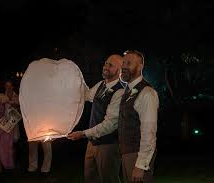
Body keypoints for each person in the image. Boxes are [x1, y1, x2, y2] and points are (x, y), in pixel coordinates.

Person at [68, 50, 159, 183]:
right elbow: (85, 95)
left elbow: (148, 132)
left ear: (140, 66)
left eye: (129, 63)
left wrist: (141, 165)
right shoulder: (128, 90)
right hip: (126, 151)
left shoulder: (146, 93)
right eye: (124, 63)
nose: (124, 67)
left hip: (131, 151)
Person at [68, 54, 124, 183]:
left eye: (111, 65)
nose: (106, 67)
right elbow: (86, 95)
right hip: (92, 142)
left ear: (120, 70)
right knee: (90, 178)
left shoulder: (119, 92)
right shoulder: (101, 85)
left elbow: (110, 124)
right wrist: (75, 79)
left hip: (109, 145)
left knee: (108, 179)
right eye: (105, 63)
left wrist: (83, 134)